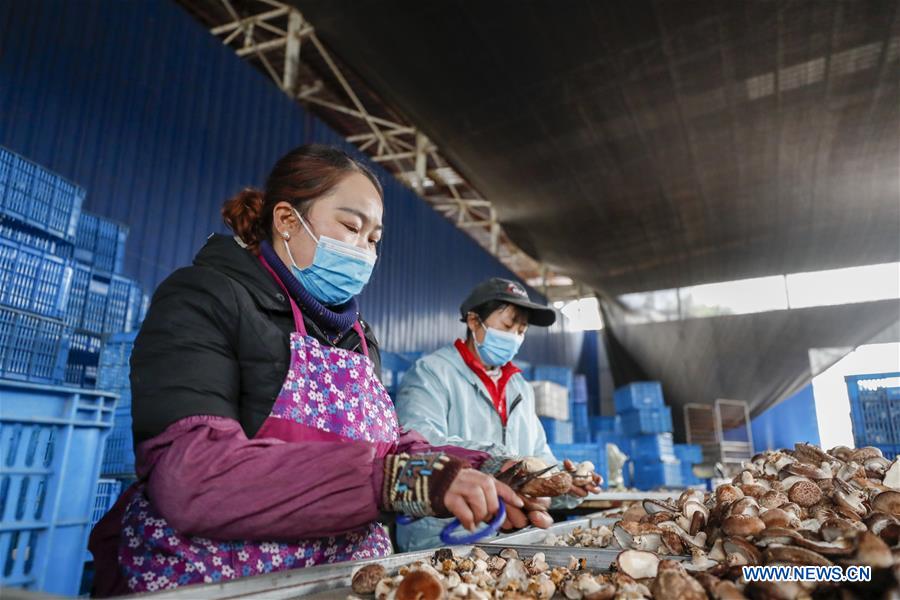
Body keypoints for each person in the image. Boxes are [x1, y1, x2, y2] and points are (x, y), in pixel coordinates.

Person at [87, 145, 526, 595]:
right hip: (225, 581)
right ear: (287, 220)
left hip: (343, 580)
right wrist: (393, 481)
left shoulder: (354, 334)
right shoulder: (204, 298)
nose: (364, 249)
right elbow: (194, 476)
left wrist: (486, 469)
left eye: (373, 238)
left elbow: (392, 446)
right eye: (351, 227)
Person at [394, 278, 602, 551]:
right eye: (507, 325)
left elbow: (537, 456)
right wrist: (500, 463)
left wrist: (565, 484)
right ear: (473, 321)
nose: (514, 337)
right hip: (442, 536)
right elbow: (419, 448)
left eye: (521, 330)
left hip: (509, 536)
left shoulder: (520, 387)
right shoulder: (431, 373)